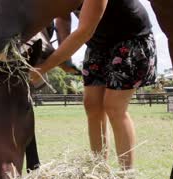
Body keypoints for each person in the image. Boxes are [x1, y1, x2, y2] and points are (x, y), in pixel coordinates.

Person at [30, 0, 157, 170]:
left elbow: (84, 32)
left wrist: (43, 68)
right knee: (92, 105)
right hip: (98, 44)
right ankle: (98, 172)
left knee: (114, 107)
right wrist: (64, 55)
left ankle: (127, 176)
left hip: (130, 38)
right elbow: (63, 16)